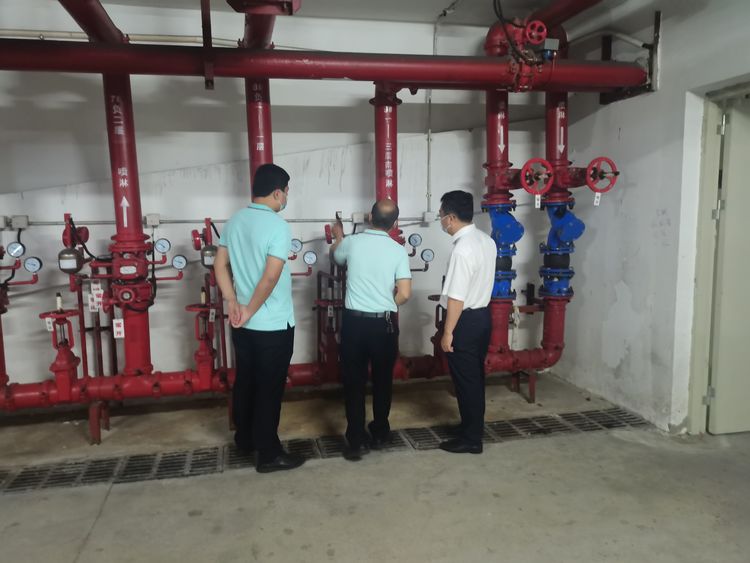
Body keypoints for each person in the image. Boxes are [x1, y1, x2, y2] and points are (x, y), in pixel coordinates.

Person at [214, 163, 304, 473]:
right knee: (269, 388)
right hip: (272, 325)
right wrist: (251, 309)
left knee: (246, 381)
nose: (286, 198)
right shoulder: (278, 226)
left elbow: (219, 265)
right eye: (287, 192)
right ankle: (269, 454)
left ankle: (245, 439)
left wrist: (233, 302)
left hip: (241, 323)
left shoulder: (235, 221)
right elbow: (270, 277)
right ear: (278, 193)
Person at [331, 200, 412, 461]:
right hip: (383, 324)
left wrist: (338, 237)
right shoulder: (398, 250)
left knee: (354, 382)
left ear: (369, 217)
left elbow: (336, 257)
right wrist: (387, 303)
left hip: (354, 324)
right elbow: (405, 293)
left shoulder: (352, 243)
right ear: (394, 223)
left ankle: (356, 441)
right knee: (383, 380)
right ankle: (379, 433)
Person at [437, 190, 496, 454]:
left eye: (441, 215)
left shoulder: (462, 250)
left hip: (465, 321)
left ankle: (472, 440)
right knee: (474, 378)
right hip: (482, 317)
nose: (440, 220)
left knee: (466, 381)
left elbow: (456, 298)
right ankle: (470, 427)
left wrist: (448, 332)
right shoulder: (486, 240)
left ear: (451, 218)